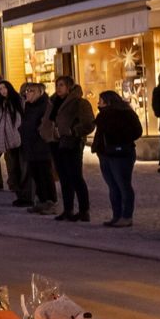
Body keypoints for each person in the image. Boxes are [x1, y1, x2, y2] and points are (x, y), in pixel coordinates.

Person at [49, 76, 96, 222]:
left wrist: (73, 131)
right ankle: (68, 209)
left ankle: (84, 210)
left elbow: (89, 123)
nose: (58, 88)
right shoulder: (54, 102)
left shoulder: (79, 103)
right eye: (57, 85)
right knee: (63, 178)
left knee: (76, 177)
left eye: (62, 85)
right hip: (56, 142)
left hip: (72, 142)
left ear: (69, 87)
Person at [92, 90, 143, 228]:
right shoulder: (103, 115)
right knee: (113, 186)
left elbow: (137, 131)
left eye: (101, 100)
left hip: (121, 154)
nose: (98, 103)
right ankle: (117, 215)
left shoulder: (124, 113)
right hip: (105, 153)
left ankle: (126, 216)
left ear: (108, 101)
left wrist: (119, 140)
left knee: (123, 184)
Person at [18, 82, 59, 214]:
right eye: (26, 90)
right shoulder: (29, 106)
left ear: (38, 93)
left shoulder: (44, 105)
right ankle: (41, 201)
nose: (27, 93)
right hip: (30, 146)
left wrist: (40, 134)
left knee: (45, 175)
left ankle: (51, 202)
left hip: (41, 146)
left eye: (30, 91)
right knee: (36, 175)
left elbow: (47, 125)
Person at [0, 80, 26, 203]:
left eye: (4, 88)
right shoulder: (2, 103)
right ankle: (18, 192)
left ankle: (23, 193)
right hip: (8, 140)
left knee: (20, 167)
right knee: (13, 167)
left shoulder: (17, 100)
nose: (2, 91)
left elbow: (19, 119)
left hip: (17, 138)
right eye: (0, 89)